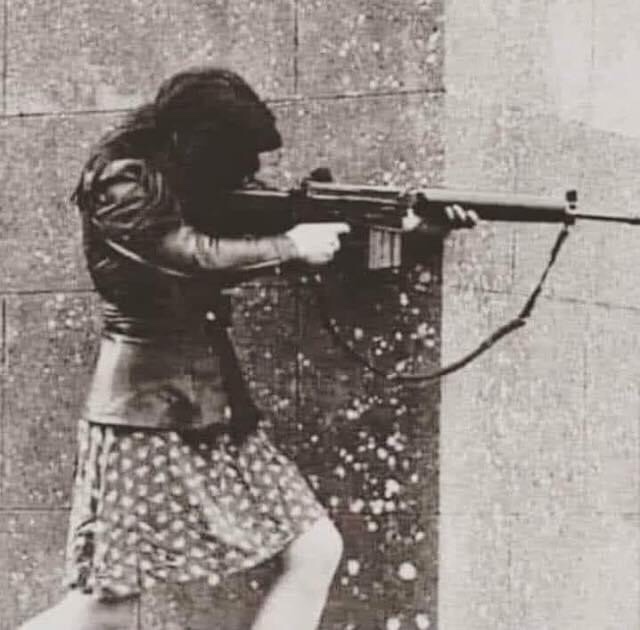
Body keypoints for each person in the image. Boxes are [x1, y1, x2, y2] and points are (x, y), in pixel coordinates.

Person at [18, 67, 476, 630]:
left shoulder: (190, 184)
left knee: (315, 549)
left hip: (213, 409)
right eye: (235, 160)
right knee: (107, 609)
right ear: (195, 143)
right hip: (146, 413)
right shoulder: (123, 182)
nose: (249, 176)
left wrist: (418, 226)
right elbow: (183, 252)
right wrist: (290, 246)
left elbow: (292, 227)